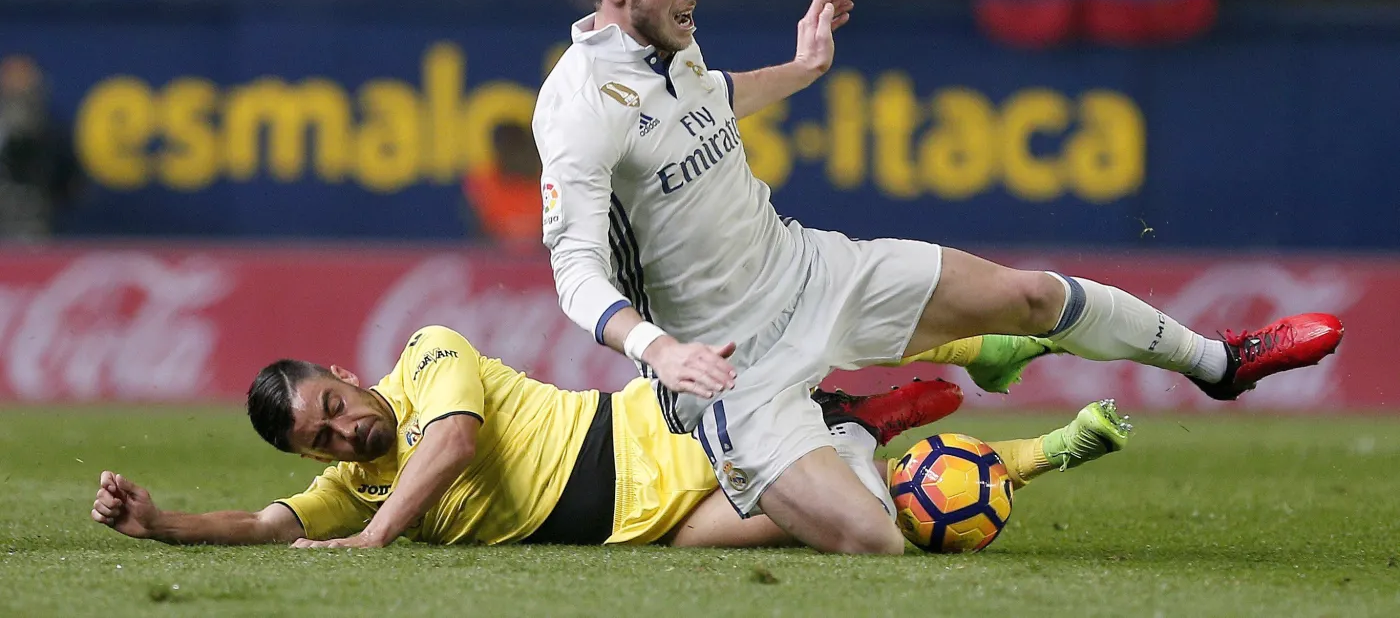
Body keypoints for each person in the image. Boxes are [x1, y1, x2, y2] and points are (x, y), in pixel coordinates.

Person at [530, 0, 1344, 554]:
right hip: (730, 364)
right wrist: (661, 351)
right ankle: (843, 428)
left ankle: (1222, 361)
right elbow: (574, 273)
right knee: (873, 541)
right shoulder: (578, 108)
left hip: (809, 269)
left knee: (1025, 297)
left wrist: (804, 69)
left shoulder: (674, 43)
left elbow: (713, 100)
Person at [89, 326, 1131, 549]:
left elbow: (449, 445)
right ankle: (1051, 449)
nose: (344, 430)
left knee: (794, 321)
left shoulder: (425, 358)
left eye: (332, 404)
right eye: (322, 442)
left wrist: (369, 542)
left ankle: (972, 338)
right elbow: (267, 527)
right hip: (653, 529)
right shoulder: (353, 487)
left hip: (653, 438)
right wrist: (165, 523)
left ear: (344, 372)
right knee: (874, 520)